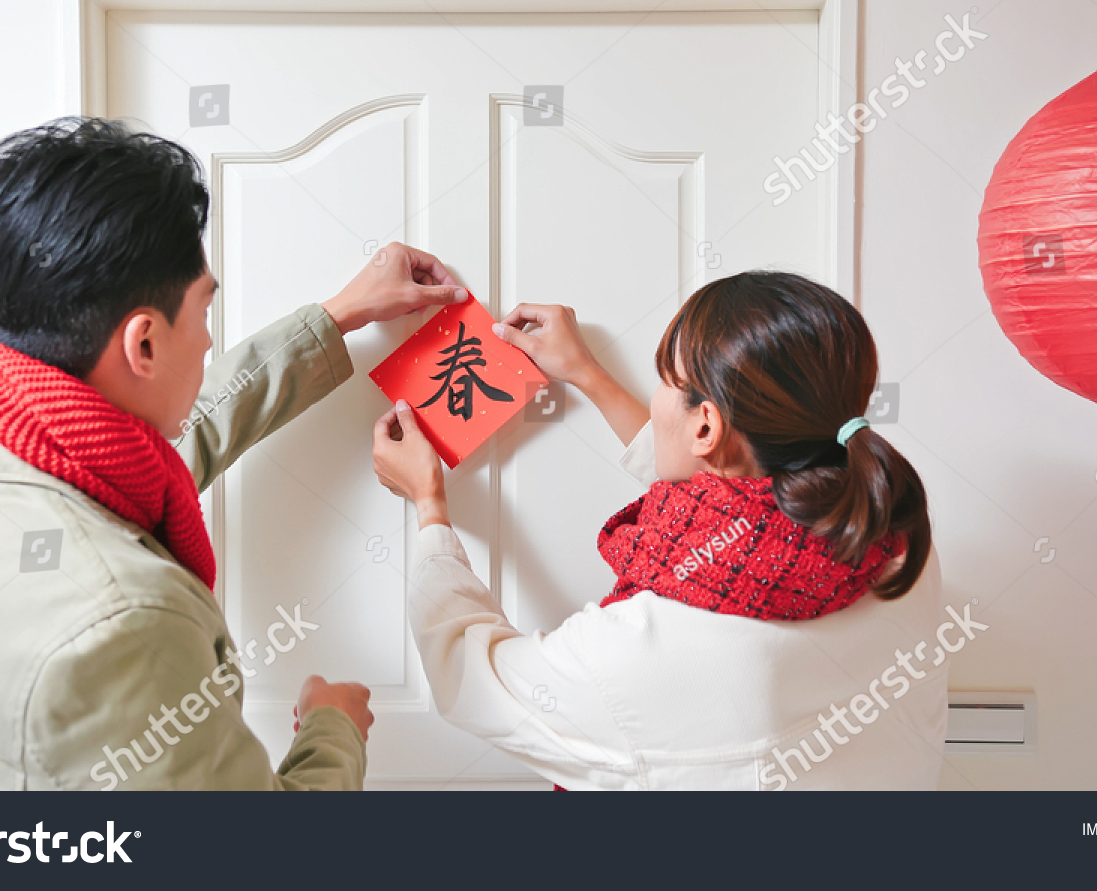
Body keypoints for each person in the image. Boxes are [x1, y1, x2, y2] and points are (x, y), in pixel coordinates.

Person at [0, 117, 467, 790]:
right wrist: (335, 726)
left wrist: (339, 315)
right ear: (145, 344)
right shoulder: (127, 621)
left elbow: (160, 449)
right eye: (205, 310)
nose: (210, 343)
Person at [372, 271, 949, 790]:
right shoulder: (893, 548)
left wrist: (429, 505)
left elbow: (470, 675)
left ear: (706, 426)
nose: (657, 395)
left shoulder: (640, 650)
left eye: (665, 380)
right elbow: (728, 493)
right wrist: (588, 375)